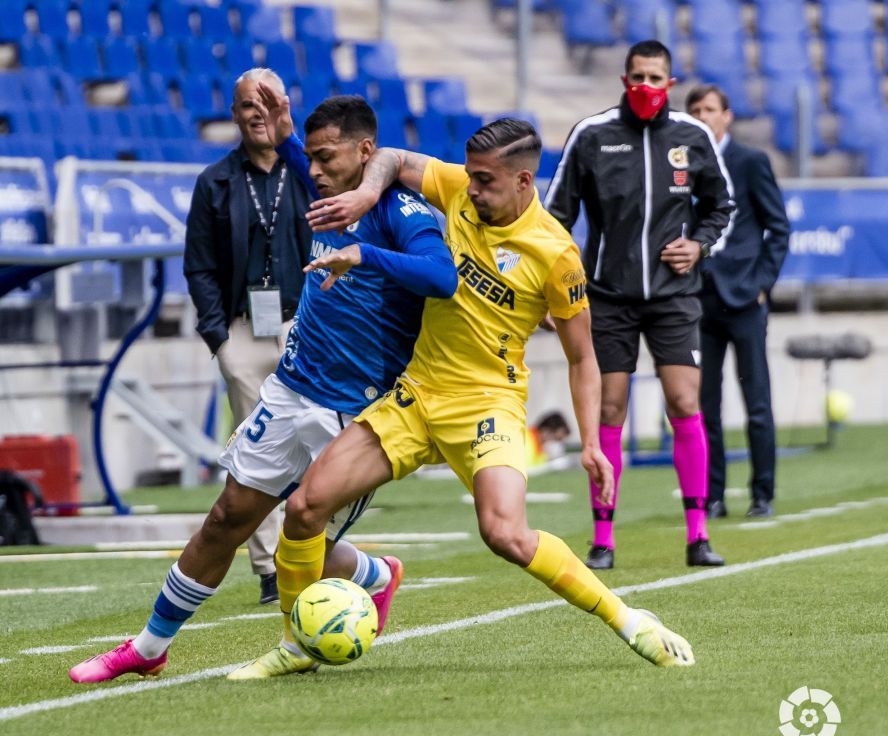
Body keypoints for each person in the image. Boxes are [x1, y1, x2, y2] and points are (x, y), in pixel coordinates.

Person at [231, 117, 696, 679]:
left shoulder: (556, 255)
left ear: (524, 181)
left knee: (504, 533)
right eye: (470, 178)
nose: (471, 190)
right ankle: (296, 643)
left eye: (486, 182)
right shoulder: (456, 187)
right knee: (304, 509)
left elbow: (582, 358)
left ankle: (629, 620)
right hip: (416, 395)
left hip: (487, 406)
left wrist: (593, 443)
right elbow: (395, 157)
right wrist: (369, 191)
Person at [68, 91, 457, 684]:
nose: (317, 172)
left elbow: (441, 277)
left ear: (367, 152)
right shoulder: (327, 186)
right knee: (227, 518)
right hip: (290, 389)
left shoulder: (404, 214)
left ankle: (358, 590)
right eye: (314, 159)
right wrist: (283, 133)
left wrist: (363, 254)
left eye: (329, 159)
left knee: (298, 537)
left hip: (354, 413)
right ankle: (148, 649)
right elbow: (303, 158)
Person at [544, 40, 735, 570]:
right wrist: (551, 286)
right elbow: (554, 217)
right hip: (607, 296)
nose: (646, 87)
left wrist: (699, 243)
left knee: (683, 402)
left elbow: (722, 206)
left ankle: (698, 536)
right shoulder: (591, 135)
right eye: (638, 78)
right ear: (624, 80)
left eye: (656, 79)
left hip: (674, 297)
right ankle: (603, 539)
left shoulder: (692, 136)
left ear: (669, 85)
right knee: (609, 409)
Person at [184, 68, 310, 604]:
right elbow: (200, 267)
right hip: (244, 332)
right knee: (257, 454)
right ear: (233, 114)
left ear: (284, 107)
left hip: (305, 324)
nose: (257, 112)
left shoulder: (308, 173)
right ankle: (268, 569)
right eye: (246, 104)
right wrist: (220, 341)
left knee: (314, 445)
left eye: (268, 102)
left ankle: (311, 552)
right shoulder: (214, 181)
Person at [686, 84, 790, 519]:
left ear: (727, 116)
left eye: (709, 109)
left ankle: (762, 493)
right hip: (700, 301)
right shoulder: (681, 164)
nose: (703, 116)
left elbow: (778, 227)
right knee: (705, 404)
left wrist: (764, 283)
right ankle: (713, 496)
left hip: (746, 299)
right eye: (695, 110)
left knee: (757, 401)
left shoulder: (750, 162)